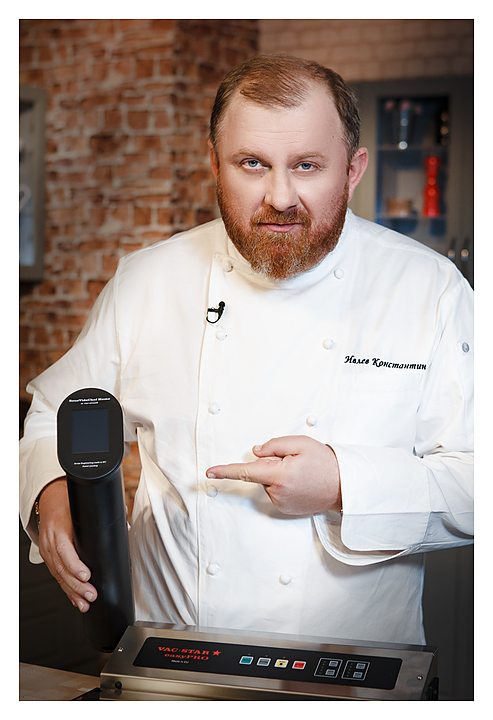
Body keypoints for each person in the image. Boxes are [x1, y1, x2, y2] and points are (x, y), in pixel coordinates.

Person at [19, 54, 473, 645]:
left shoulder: (430, 289)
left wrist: (344, 483)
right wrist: (50, 496)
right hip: (172, 659)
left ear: (353, 170)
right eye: (252, 163)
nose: (280, 197)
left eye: (307, 165)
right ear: (214, 163)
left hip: (352, 671)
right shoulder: (148, 281)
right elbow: (56, 415)